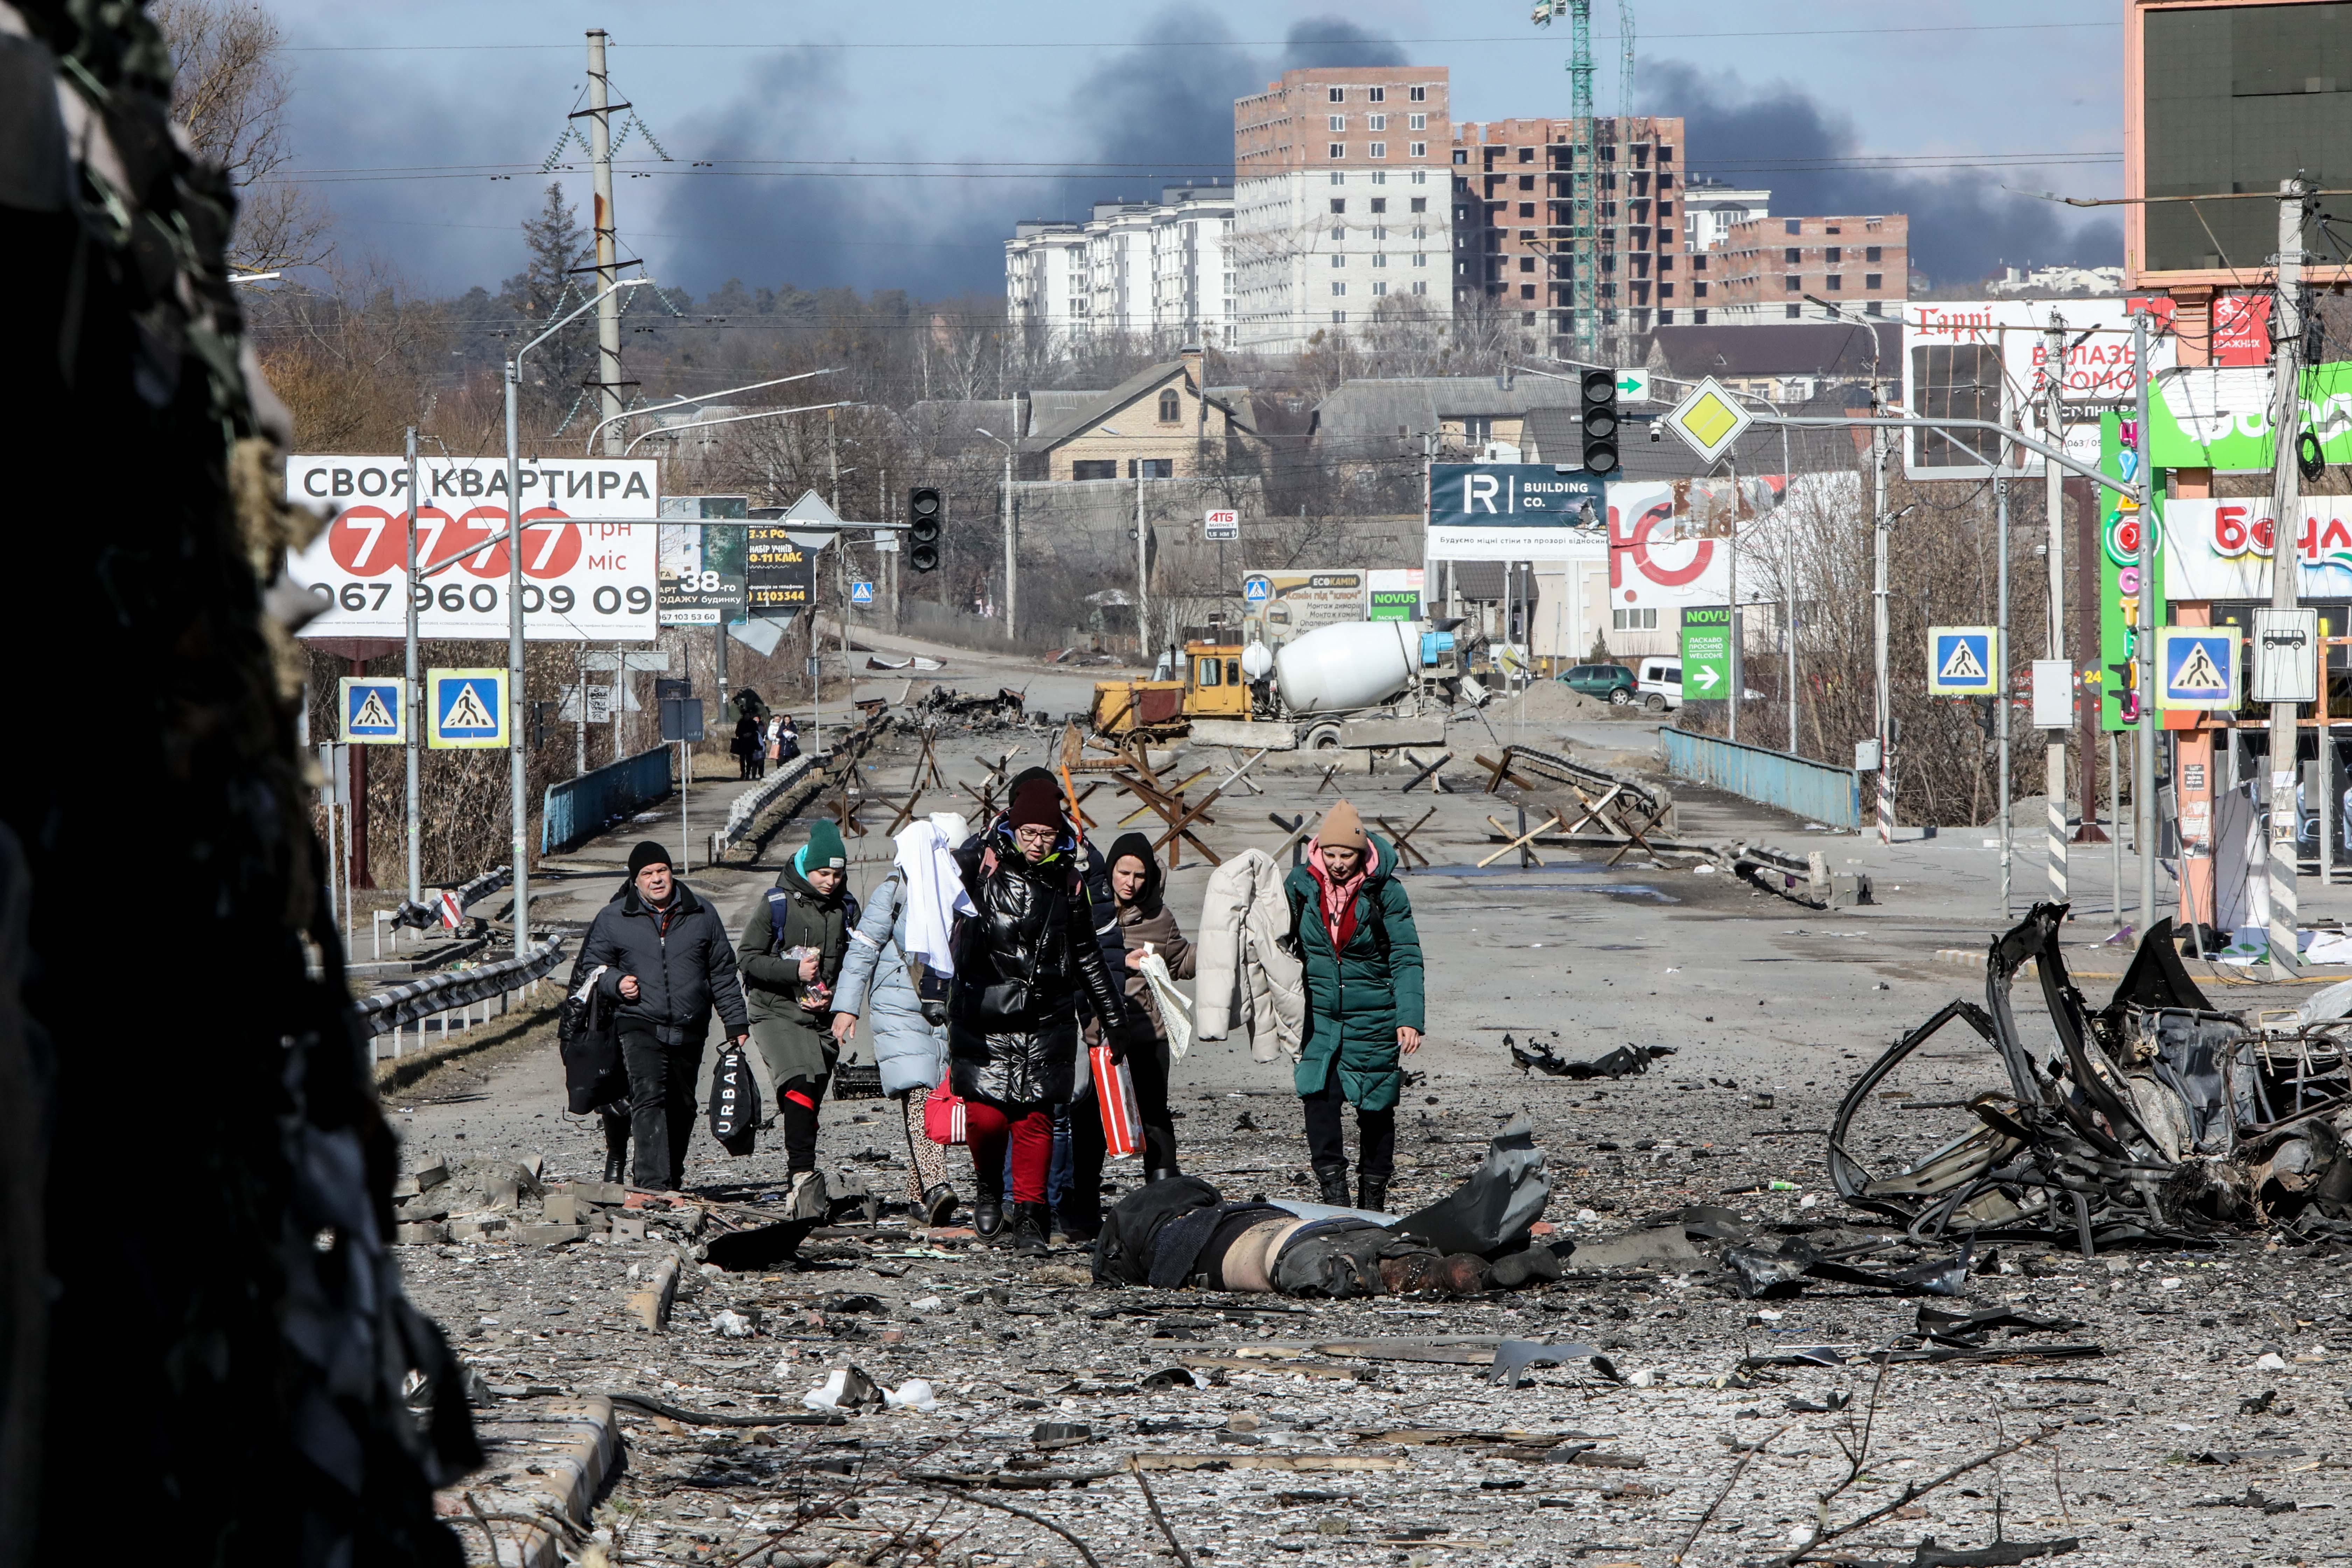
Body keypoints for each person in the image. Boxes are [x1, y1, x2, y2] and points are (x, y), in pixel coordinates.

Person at [947, 776, 1128, 1254]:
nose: (1036, 843)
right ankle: (989, 1186)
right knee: (985, 1117)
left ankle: (1032, 1218)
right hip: (983, 1010)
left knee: (1034, 1120)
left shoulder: (1072, 878)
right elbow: (932, 885)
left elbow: (1088, 951)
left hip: (1046, 1014)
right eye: (1028, 833)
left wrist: (1114, 1017)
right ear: (1012, 825)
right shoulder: (980, 863)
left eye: (1045, 835)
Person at [579, 841, 753, 1192]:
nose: (657, 879)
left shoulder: (702, 913)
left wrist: (736, 1022)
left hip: (690, 1024)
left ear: (671, 873)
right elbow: (591, 968)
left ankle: (672, 1177)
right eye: (648, 874)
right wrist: (616, 981)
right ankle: (651, 1186)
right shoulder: (613, 918)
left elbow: (722, 971)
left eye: (662, 871)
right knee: (648, 1098)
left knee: (683, 1105)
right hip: (638, 1021)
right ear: (635, 881)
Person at [1282, 800, 1424, 1214]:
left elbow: (1406, 956)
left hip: (1375, 1019)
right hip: (1321, 1020)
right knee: (1318, 1102)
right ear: (1318, 849)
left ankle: (1373, 1204)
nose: (1339, 863)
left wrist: (1409, 1019)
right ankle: (1337, 1201)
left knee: (1376, 1111)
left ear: (1362, 852)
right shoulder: (1301, 885)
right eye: (1331, 854)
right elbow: (1274, 934)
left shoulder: (1387, 892)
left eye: (1347, 855)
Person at [831, 812, 972, 1227]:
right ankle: (937, 1184)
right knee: (920, 1093)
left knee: (936, 1099)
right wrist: (847, 1006)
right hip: (898, 1005)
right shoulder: (895, 889)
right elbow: (863, 950)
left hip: (943, 1010)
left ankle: (918, 1199)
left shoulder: (959, 892)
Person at [738, 820, 855, 1217]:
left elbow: (851, 965)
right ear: (807, 867)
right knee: (800, 1084)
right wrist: (795, 974)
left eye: (837, 875)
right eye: (824, 873)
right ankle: (802, 1180)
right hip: (774, 1010)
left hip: (820, 1020)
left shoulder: (845, 908)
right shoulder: (777, 903)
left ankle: (802, 1169)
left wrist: (838, 1001)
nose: (830, 881)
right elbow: (748, 958)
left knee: (809, 1099)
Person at [1078, 832, 1194, 1187]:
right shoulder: (1088, 909)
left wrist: (1224, 946)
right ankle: (1083, 1201)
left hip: (1147, 1034)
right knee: (1088, 1120)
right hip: (1096, 1035)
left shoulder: (1159, 917)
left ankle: (1163, 1192)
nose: (1130, 883)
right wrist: (1119, 962)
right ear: (1110, 871)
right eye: (1123, 873)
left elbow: (1182, 962)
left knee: (1155, 1115)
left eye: (1139, 875)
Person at [732, 710, 764, 780]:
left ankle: (748, 773)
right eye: (746, 715)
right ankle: (743, 772)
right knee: (742, 759)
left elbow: (756, 732)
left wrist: (750, 734)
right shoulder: (741, 723)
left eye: (749, 716)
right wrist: (743, 735)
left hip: (751, 743)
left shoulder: (753, 723)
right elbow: (737, 733)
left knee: (749, 759)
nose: (747, 717)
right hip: (742, 743)